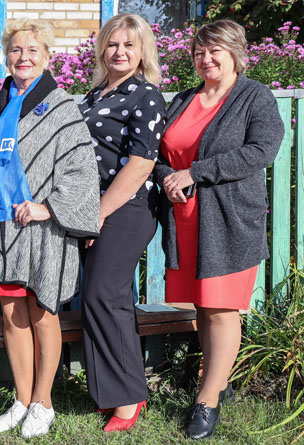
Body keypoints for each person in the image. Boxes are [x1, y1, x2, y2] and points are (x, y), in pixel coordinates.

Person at [155, 20, 283, 440]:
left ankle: (206, 402)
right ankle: (219, 385)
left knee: (223, 309)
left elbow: (261, 150)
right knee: (203, 308)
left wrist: (194, 172)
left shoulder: (254, 97)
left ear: (235, 54)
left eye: (216, 51)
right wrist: (167, 177)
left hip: (228, 220)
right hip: (186, 219)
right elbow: (155, 155)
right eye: (199, 52)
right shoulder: (182, 100)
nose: (206, 59)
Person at [0, 19, 100, 439]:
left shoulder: (62, 106)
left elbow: (82, 169)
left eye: (31, 50)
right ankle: (22, 399)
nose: (22, 57)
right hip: (5, 225)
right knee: (12, 314)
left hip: (43, 226)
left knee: (44, 311)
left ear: (47, 57)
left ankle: (44, 402)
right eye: (15, 50)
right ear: (5, 57)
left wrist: (49, 207)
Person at [77, 13, 168, 432]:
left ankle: (129, 398)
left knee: (104, 296)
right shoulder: (95, 94)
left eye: (129, 45)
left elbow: (141, 163)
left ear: (142, 50)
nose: (120, 51)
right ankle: (113, 392)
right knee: (99, 298)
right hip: (94, 208)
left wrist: (98, 214)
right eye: (113, 44)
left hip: (126, 208)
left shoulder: (145, 95)